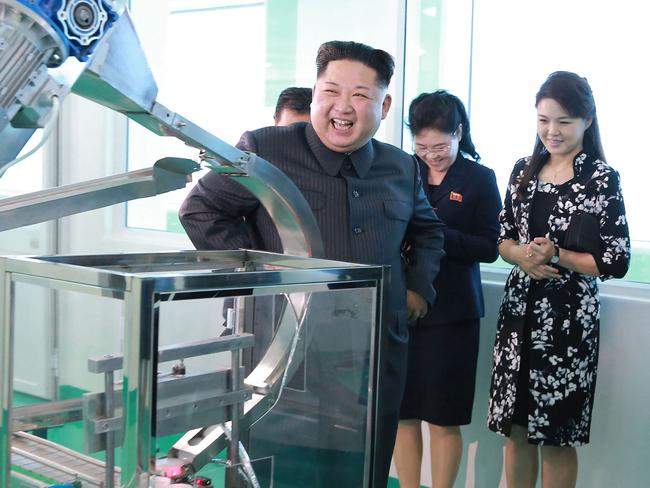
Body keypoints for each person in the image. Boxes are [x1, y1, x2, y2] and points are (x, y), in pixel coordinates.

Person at [179, 40, 446, 487]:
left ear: (385, 103)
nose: (343, 107)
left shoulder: (402, 167)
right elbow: (202, 210)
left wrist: (418, 287)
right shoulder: (266, 148)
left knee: (364, 472)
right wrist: (261, 278)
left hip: (374, 357)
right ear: (316, 91)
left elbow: (428, 232)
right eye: (331, 91)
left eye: (360, 95)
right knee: (277, 470)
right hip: (287, 354)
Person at [487, 71, 630, 487]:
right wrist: (522, 257)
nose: (552, 131)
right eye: (543, 120)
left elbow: (615, 260)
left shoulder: (601, 178)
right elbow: (503, 238)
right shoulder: (522, 172)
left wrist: (558, 255)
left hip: (568, 323)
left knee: (556, 437)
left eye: (563, 122)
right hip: (518, 316)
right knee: (515, 433)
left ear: (587, 120)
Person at [392, 90, 501, 488]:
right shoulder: (404, 170)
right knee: (403, 414)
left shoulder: (479, 178)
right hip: (403, 304)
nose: (432, 155)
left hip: (453, 312)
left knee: (442, 417)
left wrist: (438, 236)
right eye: (422, 147)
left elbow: (490, 247)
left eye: (440, 146)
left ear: (458, 133)